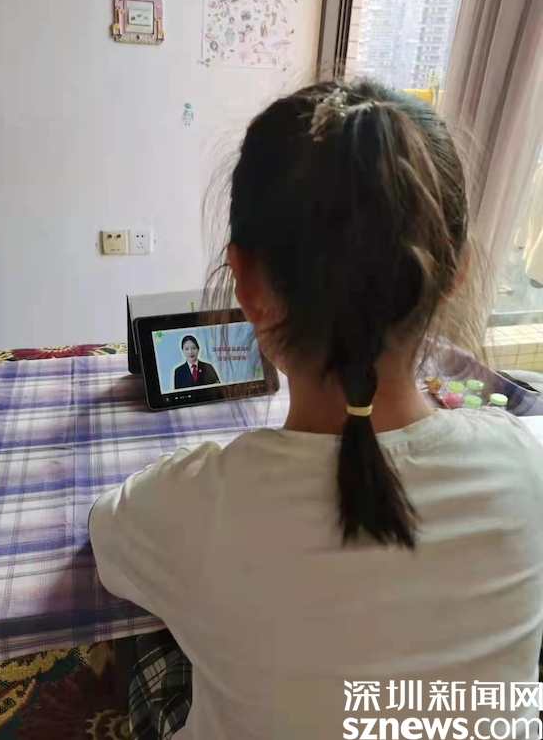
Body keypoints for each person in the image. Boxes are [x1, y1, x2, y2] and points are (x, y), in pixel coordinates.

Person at [90, 80, 543, 739]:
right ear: (457, 274)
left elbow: (106, 538)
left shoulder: (195, 503)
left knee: (150, 641)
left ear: (245, 284)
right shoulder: (528, 464)